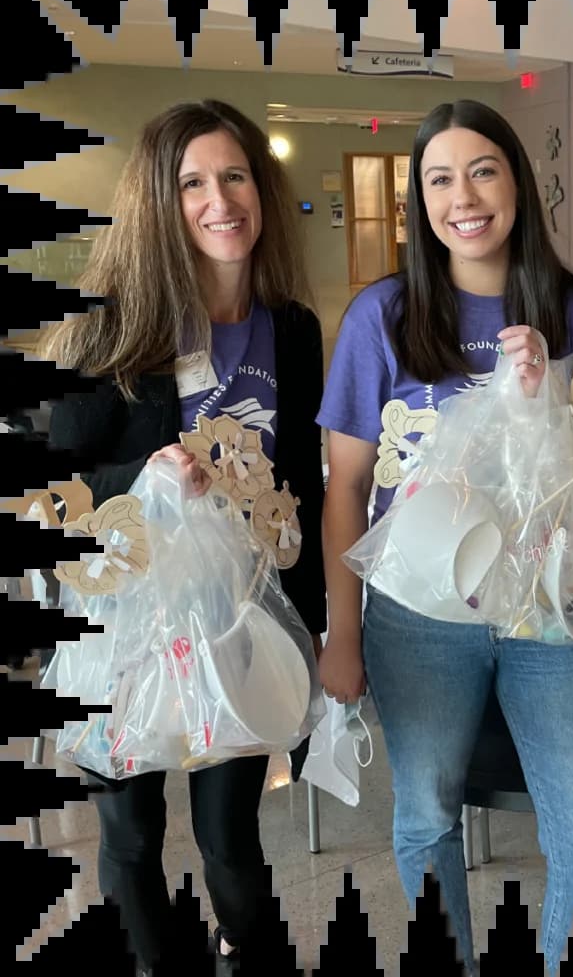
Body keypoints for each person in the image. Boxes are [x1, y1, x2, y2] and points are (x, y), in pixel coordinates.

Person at [316, 99, 573, 976]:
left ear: (517, 183)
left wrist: (546, 406)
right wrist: (342, 632)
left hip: (549, 610)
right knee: (424, 816)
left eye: (483, 170)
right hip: (417, 614)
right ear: (418, 201)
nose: (465, 196)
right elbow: (346, 485)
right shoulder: (382, 317)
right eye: (439, 178)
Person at [41, 99, 327, 975]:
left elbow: (300, 490)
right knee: (130, 835)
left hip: (238, 620)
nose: (219, 201)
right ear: (158, 205)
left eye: (234, 176)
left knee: (229, 834)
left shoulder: (291, 328)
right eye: (191, 184)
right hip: (128, 626)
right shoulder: (114, 329)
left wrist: (311, 632)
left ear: (262, 189)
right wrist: (142, 478)